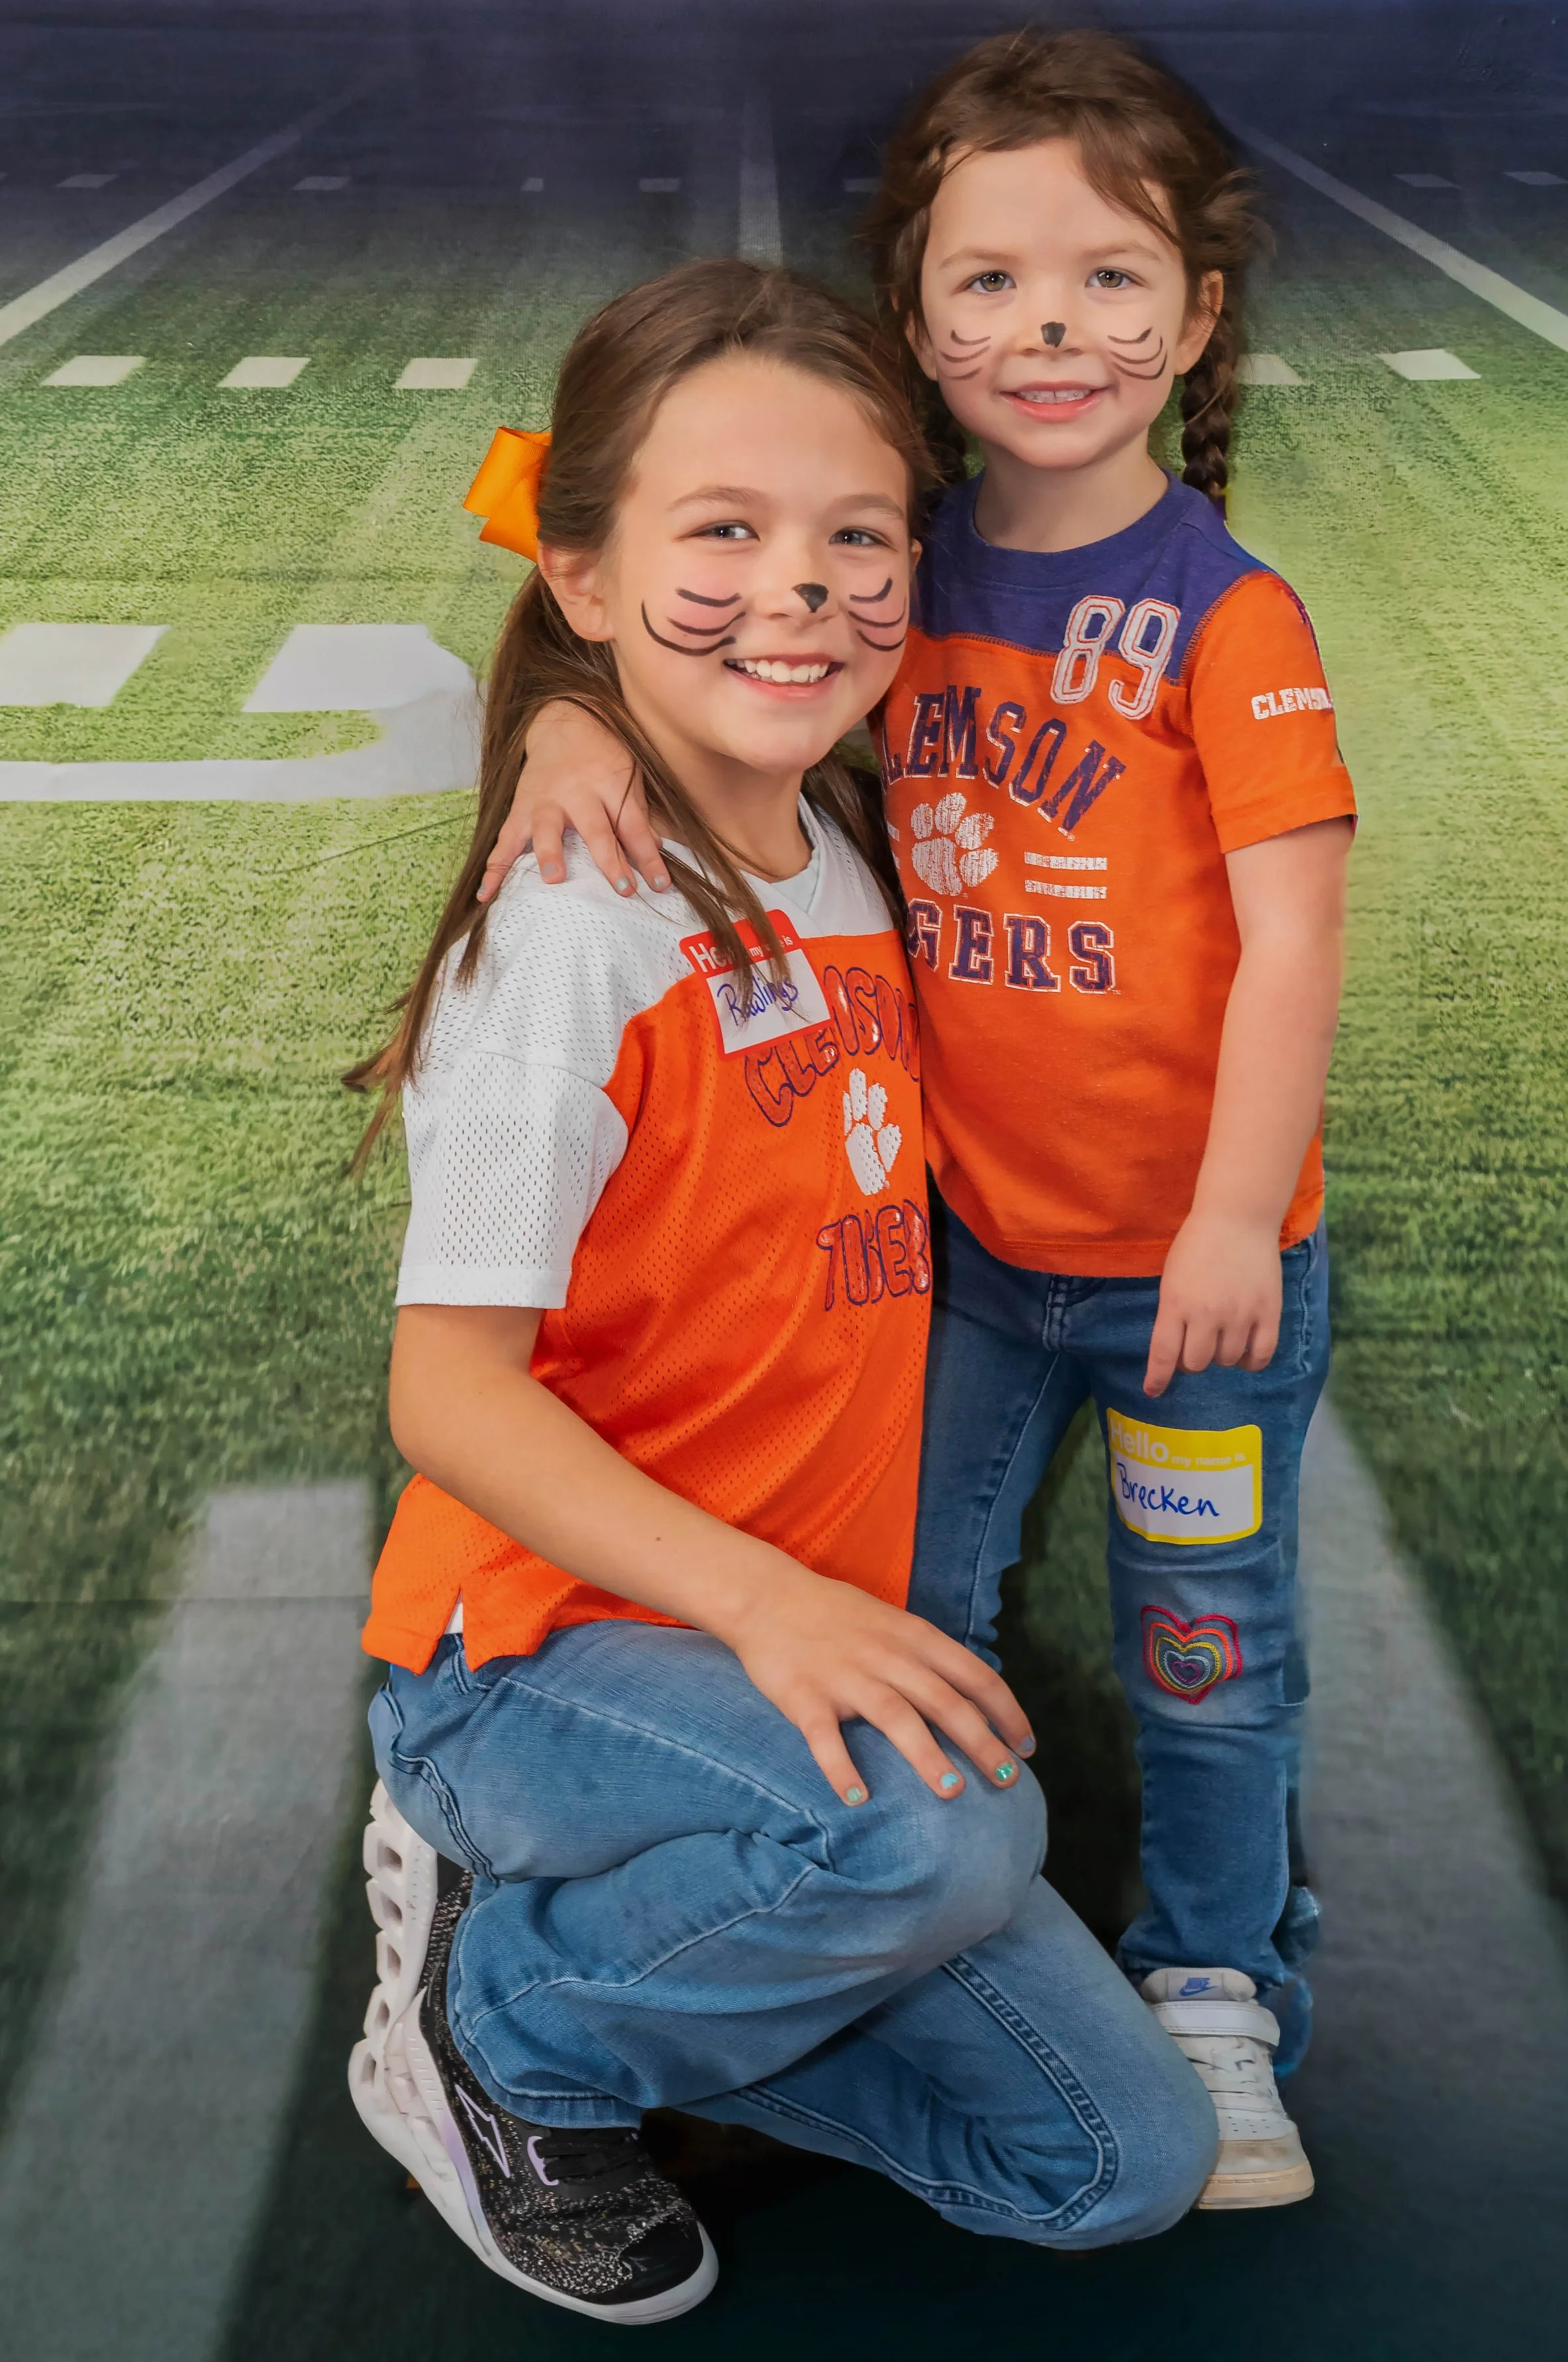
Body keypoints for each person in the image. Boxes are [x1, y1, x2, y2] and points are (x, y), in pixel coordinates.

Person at [478, 34, 1357, 2212]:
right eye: (986, 283)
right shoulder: (895, 556)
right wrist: (567, 730)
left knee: (1203, 1656)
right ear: (912, 317)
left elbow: (1292, 938)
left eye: (1102, 279)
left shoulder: (1231, 622)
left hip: (1189, 1284)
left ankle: (1220, 1989)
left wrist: (1235, 1214)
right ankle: (844, 1936)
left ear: (1199, 314)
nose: (1045, 330)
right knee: (901, 1613)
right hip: (966, 1257)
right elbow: (556, 523)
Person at [344, 257, 1216, 2327]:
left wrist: (593, 688)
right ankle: (508, 2023)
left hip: (764, 1684)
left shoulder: (843, 836)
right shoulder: (572, 929)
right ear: (584, 569)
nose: (799, 591)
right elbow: (448, 1398)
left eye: (859, 541)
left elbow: (740, 599)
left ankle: (691, 1994)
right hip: (529, 1662)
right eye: (722, 536)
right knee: (939, 1836)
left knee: (1113, 2168)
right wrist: (760, 1597)